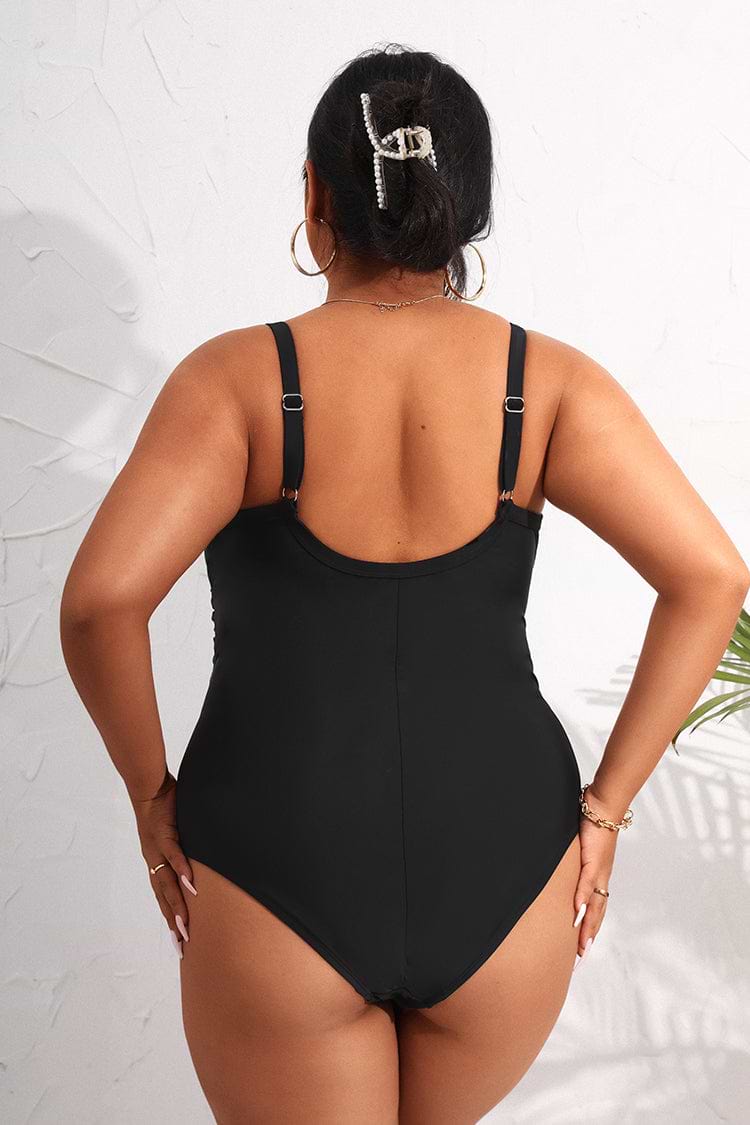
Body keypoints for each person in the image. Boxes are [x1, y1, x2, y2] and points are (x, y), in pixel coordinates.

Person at [60, 45, 749, 1124]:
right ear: (467, 205)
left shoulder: (234, 381)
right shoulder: (547, 383)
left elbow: (102, 604)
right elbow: (711, 576)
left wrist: (153, 797)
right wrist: (606, 811)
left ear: (315, 195)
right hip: (507, 870)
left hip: (274, 863)